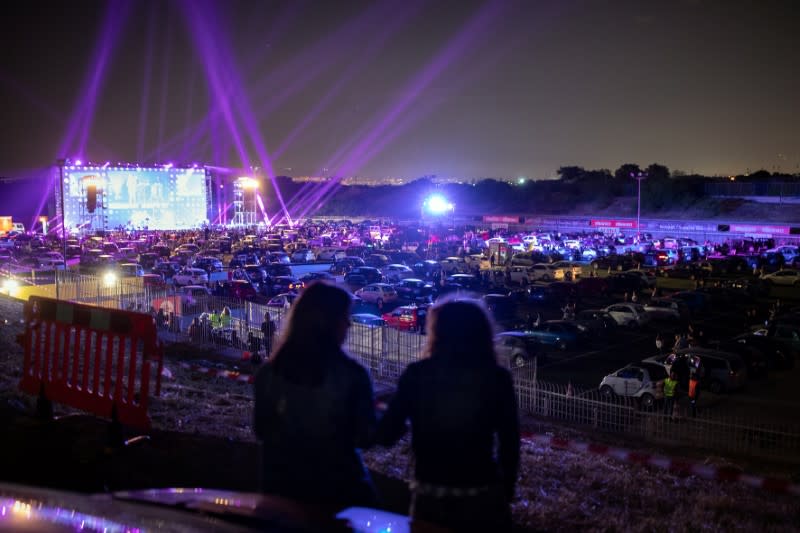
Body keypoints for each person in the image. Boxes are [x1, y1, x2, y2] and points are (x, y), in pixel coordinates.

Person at [375, 299, 520, 532]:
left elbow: (386, 435)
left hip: (430, 497)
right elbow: (510, 443)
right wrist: (506, 491)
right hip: (482, 495)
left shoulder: (417, 374)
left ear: (437, 332)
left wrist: (382, 413)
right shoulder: (497, 378)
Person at [253, 282, 378, 508]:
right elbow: (365, 436)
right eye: (344, 317)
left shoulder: (270, 373)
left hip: (281, 490)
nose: (349, 324)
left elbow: (261, 428)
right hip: (339, 494)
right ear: (328, 322)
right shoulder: (351, 375)